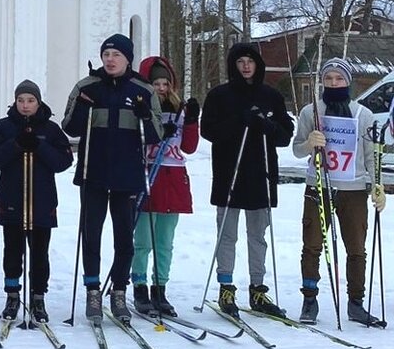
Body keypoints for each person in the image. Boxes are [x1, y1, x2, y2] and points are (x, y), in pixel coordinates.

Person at [62, 33, 161, 324]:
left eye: (116, 55)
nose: (110, 59)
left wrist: (145, 116)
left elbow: (156, 135)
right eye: (106, 54)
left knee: (124, 239)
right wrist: (82, 107)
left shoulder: (142, 90)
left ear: (127, 58)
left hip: (127, 175)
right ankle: (93, 290)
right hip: (94, 172)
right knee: (91, 235)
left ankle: (119, 291)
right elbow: (70, 127)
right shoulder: (87, 86)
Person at [199, 41, 294, 317]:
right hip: (229, 173)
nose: (246, 66)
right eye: (240, 62)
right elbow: (209, 131)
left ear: (258, 64)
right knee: (227, 234)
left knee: (258, 235)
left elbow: (284, 135)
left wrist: (266, 125)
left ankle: (258, 288)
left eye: (250, 61)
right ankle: (225, 285)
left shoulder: (271, 96)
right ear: (233, 65)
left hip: (261, 174)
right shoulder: (220, 95)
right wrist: (239, 121)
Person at [291, 57, 385, 325]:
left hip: (352, 188)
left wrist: (376, 186)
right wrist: (309, 143)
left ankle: (356, 301)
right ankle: (309, 300)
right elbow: (297, 150)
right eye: (328, 78)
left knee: (356, 246)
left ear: (348, 81)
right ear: (322, 81)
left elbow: (370, 156)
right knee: (312, 244)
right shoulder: (311, 112)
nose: (333, 83)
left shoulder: (361, 114)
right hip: (318, 184)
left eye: (339, 78)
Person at [0, 79, 72, 323]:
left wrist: (40, 147)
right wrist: (15, 144)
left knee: (40, 253)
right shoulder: (4, 126)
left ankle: (38, 297)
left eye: (30, 100)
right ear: (15, 101)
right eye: (21, 100)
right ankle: (12, 295)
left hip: (42, 204)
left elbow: (64, 161)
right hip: (12, 200)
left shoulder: (51, 129)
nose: (25, 105)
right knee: (12, 251)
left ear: (38, 102)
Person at [130, 56, 199, 316]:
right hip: (151, 175)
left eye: (165, 83)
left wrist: (191, 121)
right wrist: (155, 128)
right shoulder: (143, 107)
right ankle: (139, 286)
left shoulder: (179, 109)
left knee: (165, 241)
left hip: (174, 178)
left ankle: (160, 288)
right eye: (156, 83)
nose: (161, 88)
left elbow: (189, 147)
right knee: (144, 239)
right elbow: (139, 140)